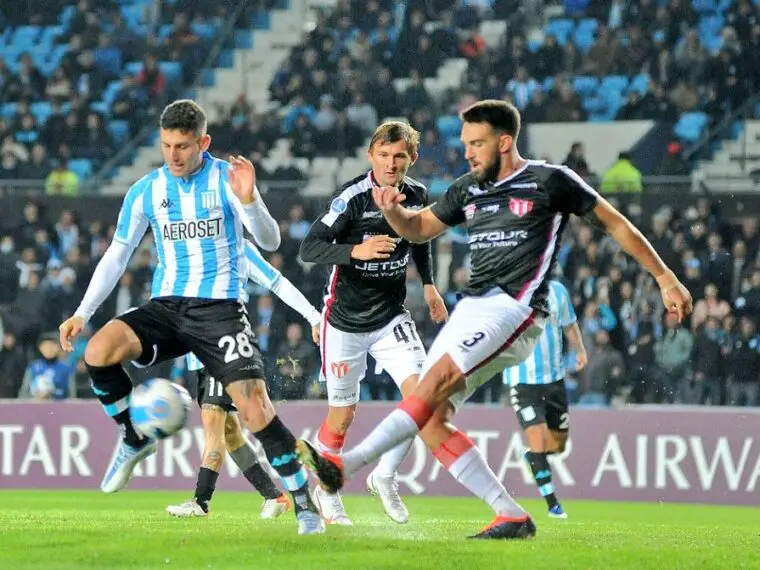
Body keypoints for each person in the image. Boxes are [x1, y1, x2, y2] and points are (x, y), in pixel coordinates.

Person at [297, 99, 693, 540]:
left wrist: (665, 276)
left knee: (427, 387)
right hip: (470, 309)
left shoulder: (550, 181)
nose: (467, 152)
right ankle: (509, 514)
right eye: (465, 143)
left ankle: (344, 466)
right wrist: (393, 215)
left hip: (516, 307)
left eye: (477, 143)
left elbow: (616, 224)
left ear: (504, 142)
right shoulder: (468, 188)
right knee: (430, 420)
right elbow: (421, 229)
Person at [57, 99, 324, 535]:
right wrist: (82, 313)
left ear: (204, 142)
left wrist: (251, 200)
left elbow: (271, 241)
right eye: (166, 146)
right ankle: (132, 437)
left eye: (183, 146)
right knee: (101, 350)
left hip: (218, 311)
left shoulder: (226, 179)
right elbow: (117, 254)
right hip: (167, 306)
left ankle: (303, 503)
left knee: (253, 409)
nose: (174, 155)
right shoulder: (147, 189)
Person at [299, 120, 448, 525]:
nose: (391, 163)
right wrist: (357, 250)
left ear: (411, 158)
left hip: (390, 317)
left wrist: (430, 285)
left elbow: (420, 238)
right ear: (371, 156)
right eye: (383, 155)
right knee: (342, 416)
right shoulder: (351, 198)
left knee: (423, 398)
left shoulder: (416, 193)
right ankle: (325, 490)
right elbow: (309, 247)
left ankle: (384, 476)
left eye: (399, 155)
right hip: (344, 322)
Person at [166, 240, 321, 519]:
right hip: (196, 355)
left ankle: (201, 501)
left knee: (215, 423)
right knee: (230, 432)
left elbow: (277, 282)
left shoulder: (235, 245)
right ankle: (274, 496)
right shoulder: (181, 245)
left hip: (222, 348)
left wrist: (312, 316)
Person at [503, 279, 587, 520]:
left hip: (554, 379)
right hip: (522, 380)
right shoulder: (510, 290)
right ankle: (553, 505)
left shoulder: (558, 290)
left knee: (557, 445)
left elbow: (569, 323)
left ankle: (534, 458)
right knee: (538, 440)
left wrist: (580, 349)